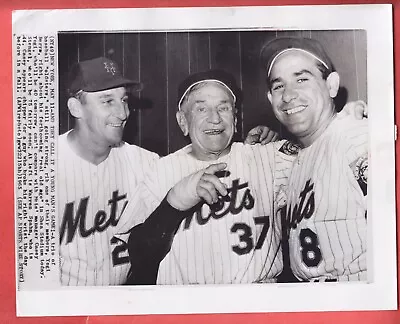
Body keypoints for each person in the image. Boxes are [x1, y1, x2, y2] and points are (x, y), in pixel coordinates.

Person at [58, 57, 228, 286]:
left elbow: (196, 163)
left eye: (124, 100)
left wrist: (247, 146)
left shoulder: (144, 162)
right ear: (75, 108)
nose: (123, 113)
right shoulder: (41, 168)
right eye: (107, 101)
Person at [132, 69, 294, 285]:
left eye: (223, 108)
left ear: (236, 117)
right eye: (201, 109)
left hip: (257, 301)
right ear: (183, 121)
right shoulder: (160, 171)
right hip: (188, 307)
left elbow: (316, 153)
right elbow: (139, 255)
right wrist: (174, 204)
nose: (215, 118)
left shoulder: (266, 156)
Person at [261, 37, 368, 282]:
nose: (288, 95)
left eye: (301, 79)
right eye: (279, 86)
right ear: (270, 99)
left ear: (331, 85)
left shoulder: (355, 136)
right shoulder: (293, 159)